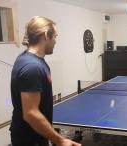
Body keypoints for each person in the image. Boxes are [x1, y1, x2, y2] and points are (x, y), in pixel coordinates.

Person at [10, 16, 81, 146]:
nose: (56, 41)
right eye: (55, 36)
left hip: (34, 136)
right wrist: (60, 140)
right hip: (30, 140)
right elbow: (31, 114)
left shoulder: (29, 59)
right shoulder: (32, 67)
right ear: (46, 36)